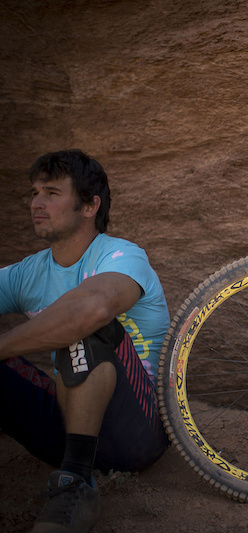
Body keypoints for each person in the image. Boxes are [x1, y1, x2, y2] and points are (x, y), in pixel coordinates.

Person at [0, 150, 170, 533]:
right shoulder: (30, 272)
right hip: (66, 422)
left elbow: (91, 309)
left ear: (90, 205)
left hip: (138, 432)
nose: (36, 203)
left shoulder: (122, 254)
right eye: (34, 193)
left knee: (85, 325)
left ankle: (74, 484)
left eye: (51, 193)